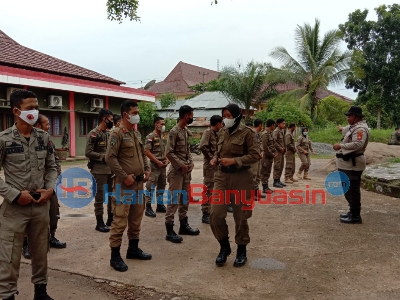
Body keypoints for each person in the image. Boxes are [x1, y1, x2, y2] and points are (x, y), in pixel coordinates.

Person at [0, 89, 57, 300]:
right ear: (16, 111)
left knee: (41, 251)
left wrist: (50, 188)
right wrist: (14, 195)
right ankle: (7, 295)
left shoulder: (43, 136)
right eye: (29, 108)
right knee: (9, 255)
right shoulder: (4, 139)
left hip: (40, 205)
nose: (35, 111)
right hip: (15, 208)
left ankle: (40, 292)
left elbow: (52, 167)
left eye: (36, 107)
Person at [209, 104, 259, 268]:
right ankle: (224, 247)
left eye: (229, 115)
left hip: (242, 178)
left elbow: (255, 155)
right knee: (215, 214)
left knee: (241, 216)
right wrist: (215, 158)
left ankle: (241, 249)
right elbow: (219, 150)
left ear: (237, 116)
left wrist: (234, 161)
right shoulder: (222, 131)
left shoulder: (248, 133)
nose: (226, 118)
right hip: (222, 177)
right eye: (224, 115)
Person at [105, 100, 152, 272]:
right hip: (124, 186)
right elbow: (110, 158)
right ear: (126, 115)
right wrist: (124, 177)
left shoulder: (136, 133)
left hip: (139, 184)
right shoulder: (117, 133)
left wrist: (147, 170)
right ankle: (115, 256)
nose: (137, 115)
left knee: (136, 219)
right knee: (119, 220)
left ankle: (133, 249)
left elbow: (142, 154)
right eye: (135, 112)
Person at [165, 105, 200, 243]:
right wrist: (181, 165)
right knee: (174, 200)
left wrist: (190, 162)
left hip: (186, 171)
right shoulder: (174, 132)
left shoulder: (185, 131)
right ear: (186, 116)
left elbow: (187, 150)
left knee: (184, 199)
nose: (192, 118)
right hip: (176, 172)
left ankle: (183, 225)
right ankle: (169, 230)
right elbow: (169, 152)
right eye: (191, 115)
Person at [334, 106, 369, 224]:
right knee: (347, 188)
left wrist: (341, 146)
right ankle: (352, 211)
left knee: (352, 189)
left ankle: (355, 215)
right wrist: (340, 129)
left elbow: (358, 144)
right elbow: (347, 129)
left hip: (353, 165)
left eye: (350, 116)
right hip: (347, 164)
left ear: (356, 117)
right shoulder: (354, 127)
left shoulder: (361, 129)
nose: (348, 118)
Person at [85, 108, 114, 231]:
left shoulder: (109, 133)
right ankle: (99, 222)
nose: (112, 121)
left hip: (110, 171)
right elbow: (88, 152)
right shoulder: (94, 134)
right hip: (99, 170)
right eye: (111, 119)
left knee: (111, 196)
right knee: (100, 197)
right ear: (104, 119)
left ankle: (110, 219)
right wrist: (103, 157)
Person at [199, 115, 223, 224]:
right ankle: (205, 213)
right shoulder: (208, 132)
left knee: (215, 189)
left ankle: (212, 211)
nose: (222, 125)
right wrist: (211, 158)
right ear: (218, 123)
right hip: (209, 166)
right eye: (221, 123)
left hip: (216, 165)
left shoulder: (217, 134)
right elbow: (202, 146)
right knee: (208, 189)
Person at [144, 117, 169, 217]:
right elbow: (147, 152)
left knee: (162, 184)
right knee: (151, 186)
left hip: (162, 165)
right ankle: (148, 207)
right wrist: (157, 161)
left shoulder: (162, 136)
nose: (163, 125)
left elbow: (164, 150)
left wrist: (166, 159)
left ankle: (160, 204)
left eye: (164, 123)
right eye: (161, 124)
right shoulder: (150, 136)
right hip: (154, 165)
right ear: (156, 125)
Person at [261, 119, 278, 194]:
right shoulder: (265, 134)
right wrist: (271, 154)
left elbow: (272, 144)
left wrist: (275, 152)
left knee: (268, 171)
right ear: (272, 125)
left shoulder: (270, 133)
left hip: (270, 156)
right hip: (266, 156)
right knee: (265, 171)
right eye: (274, 125)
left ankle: (266, 187)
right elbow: (265, 146)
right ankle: (264, 188)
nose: (274, 126)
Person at [250, 119, 264, 199]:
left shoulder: (258, 134)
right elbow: (252, 147)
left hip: (258, 158)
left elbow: (260, 144)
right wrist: (258, 154)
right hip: (253, 158)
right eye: (262, 125)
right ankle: (251, 194)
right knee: (253, 176)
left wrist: (262, 152)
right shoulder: (252, 133)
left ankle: (256, 192)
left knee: (258, 175)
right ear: (260, 125)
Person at [272, 118, 287, 188]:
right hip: (278, 152)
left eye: (284, 123)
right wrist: (280, 148)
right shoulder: (276, 131)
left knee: (281, 166)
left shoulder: (282, 131)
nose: (284, 125)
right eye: (283, 123)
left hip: (282, 152)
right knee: (277, 166)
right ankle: (275, 181)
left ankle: (278, 180)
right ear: (278, 124)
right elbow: (274, 141)